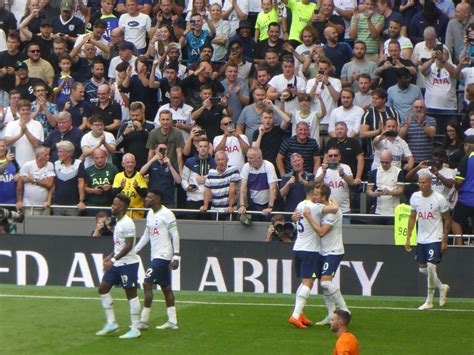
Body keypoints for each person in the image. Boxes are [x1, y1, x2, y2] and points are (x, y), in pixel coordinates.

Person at [288, 181, 338, 329]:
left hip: (298, 247)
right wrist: (332, 198)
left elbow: (295, 217)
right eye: (316, 193)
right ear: (313, 193)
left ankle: (299, 313)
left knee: (305, 282)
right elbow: (335, 208)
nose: (317, 196)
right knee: (308, 284)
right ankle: (295, 316)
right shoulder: (316, 207)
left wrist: (293, 217)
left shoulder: (299, 205)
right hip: (310, 250)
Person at [95, 193, 141, 339]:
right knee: (103, 289)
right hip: (117, 262)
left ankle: (135, 328)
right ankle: (111, 323)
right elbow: (119, 246)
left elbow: (128, 246)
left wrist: (113, 260)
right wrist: (109, 257)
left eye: (115, 204)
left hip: (128, 264)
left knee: (131, 295)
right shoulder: (118, 222)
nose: (112, 206)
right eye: (113, 203)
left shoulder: (128, 223)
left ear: (123, 206)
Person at [133, 189, 180, 330]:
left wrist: (176, 255)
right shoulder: (150, 214)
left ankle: (143, 321)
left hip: (163, 255)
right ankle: (173, 321)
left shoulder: (167, 214)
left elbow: (175, 235)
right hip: (155, 255)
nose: (146, 199)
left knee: (147, 283)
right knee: (166, 287)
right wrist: (134, 250)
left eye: (149, 197)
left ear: (157, 199)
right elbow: (146, 235)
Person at [303, 183, 349, 324]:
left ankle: (344, 310)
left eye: (317, 194)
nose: (314, 196)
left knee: (326, 283)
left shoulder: (332, 213)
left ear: (324, 197)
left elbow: (322, 232)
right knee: (324, 284)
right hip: (322, 251)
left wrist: (309, 218)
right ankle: (330, 315)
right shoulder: (323, 207)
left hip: (334, 251)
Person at [406, 172, 451, 310]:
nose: (421, 185)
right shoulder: (415, 197)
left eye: (423, 182)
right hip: (421, 238)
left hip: (435, 237)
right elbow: (413, 217)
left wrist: (444, 239)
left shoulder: (439, 198)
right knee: (422, 270)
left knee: (431, 267)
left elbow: (447, 219)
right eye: (419, 182)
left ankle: (429, 300)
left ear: (430, 183)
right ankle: (442, 287)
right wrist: (408, 237)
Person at [238, 148, 278, 218]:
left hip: (270, 202)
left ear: (259, 158)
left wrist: (270, 207)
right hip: (254, 202)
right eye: (248, 157)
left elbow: (273, 188)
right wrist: (242, 205)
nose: (248, 160)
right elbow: (243, 188)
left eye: (251, 158)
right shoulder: (246, 166)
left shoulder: (268, 166)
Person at [140, 143, 182, 208]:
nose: (163, 151)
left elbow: (178, 181)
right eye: (160, 149)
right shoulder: (152, 163)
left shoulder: (171, 163)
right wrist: (153, 159)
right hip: (153, 200)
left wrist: (169, 165)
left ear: (167, 151)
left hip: (168, 200)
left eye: (165, 149)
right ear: (156, 151)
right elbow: (141, 172)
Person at [16, 146, 55, 216]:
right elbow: (20, 183)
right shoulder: (28, 165)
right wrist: (19, 201)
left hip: (45, 205)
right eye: (45, 155)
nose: (48, 157)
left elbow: (49, 184)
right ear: (38, 156)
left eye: (48, 155)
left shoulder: (50, 165)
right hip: (28, 205)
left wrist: (33, 180)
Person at [4, 99, 44, 167]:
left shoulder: (37, 124)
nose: (25, 112)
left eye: (27, 109)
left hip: (32, 163)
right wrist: (20, 135)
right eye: (23, 110)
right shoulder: (11, 124)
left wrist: (25, 130)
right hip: (15, 164)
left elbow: (36, 144)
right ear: (18, 111)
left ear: (30, 110)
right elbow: (6, 142)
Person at [200, 150, 240, 215]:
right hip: (215, 210)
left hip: (229, 211)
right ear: (215, 161)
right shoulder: (211, 173)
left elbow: (232, 189)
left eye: (222, 159)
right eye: (218, 160)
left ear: (227, 160)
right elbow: (207, 191)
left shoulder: (233, 170)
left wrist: (231, 206)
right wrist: (205, 206)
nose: (221, 162)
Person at [315, 147, 354, 214]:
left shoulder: (346, 167)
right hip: (326, 208)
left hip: (343, 209)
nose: (333, 158)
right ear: (327, 157)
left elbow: (351, 183)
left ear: (339, 157)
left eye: (335, 155)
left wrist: (343, 174)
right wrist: (323, 173)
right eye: (330, 156)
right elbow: (316, 183)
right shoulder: (322, 169)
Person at [367, 149, 405, 217]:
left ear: (391, 160)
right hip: (378, 210)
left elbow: (400, 190)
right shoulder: (374, 172)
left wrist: (388, 192)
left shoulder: (399, 172)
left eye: (386, 162)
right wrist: (374, 193)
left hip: (393, 211)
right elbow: (369, 190)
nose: (384, 164)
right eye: (382, 162)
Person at [181, 137, 216, 211]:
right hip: (192, 199)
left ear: (209, 148)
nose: (203, 148)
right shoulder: (189, 162)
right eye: (201, 146)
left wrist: (206, 179)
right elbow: (184, 179)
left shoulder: (214, 162)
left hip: (209, 200)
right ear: (197, 148)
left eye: (205, 146)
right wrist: (187, 187)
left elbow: (218, 179)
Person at [52, 140, 85, 216]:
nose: (58, 154)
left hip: (73, 204)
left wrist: (81, 201)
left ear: (69, 153)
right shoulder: (56, 164)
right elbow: (53, 184)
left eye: (61, 152)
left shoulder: (78, 164)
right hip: (57, 204)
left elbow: (81, 183)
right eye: (58, 151)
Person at [452, 135, 474, 243]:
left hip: (467, 199)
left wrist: (456, 188)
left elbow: (459, 182)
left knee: (455, 220)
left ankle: (459, 246)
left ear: (467, 145)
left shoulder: (467, 158)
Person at [111, 153, 148, 218]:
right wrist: (121, 188)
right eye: (127, 162)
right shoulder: (118, 176)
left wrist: (137, 188)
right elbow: (113, 194)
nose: (130, 164)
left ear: (135, 163)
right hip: (122, 213)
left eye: (132, 162)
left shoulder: (139, 175)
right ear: (123, 164)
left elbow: (145, 193)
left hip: (137, 213)